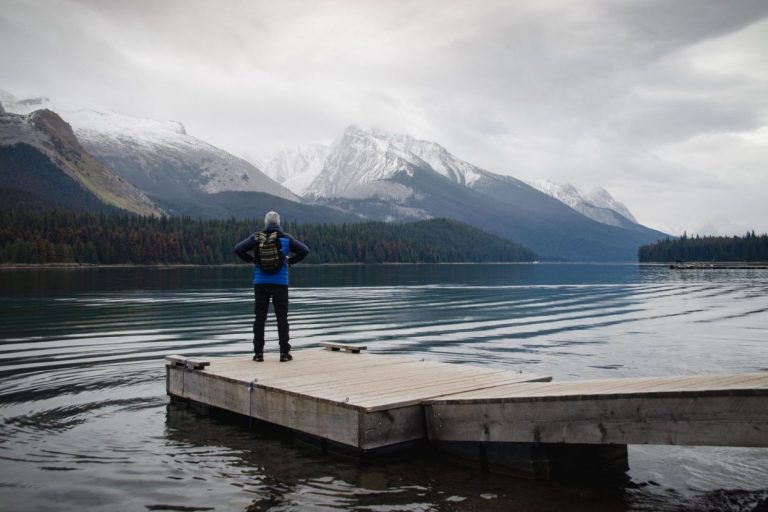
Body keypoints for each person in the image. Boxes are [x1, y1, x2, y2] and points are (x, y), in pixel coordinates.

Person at [234, 211, 309, 362]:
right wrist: (290, 262)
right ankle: (284, 353)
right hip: (280, 283)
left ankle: (258, 354)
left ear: (266, 223)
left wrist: (252, 260)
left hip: (260, 283)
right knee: (282, 318)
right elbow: (305, 250)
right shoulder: (286, 238)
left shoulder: (256, 238)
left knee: (260, 318)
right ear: (279, 223)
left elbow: (238, 249)